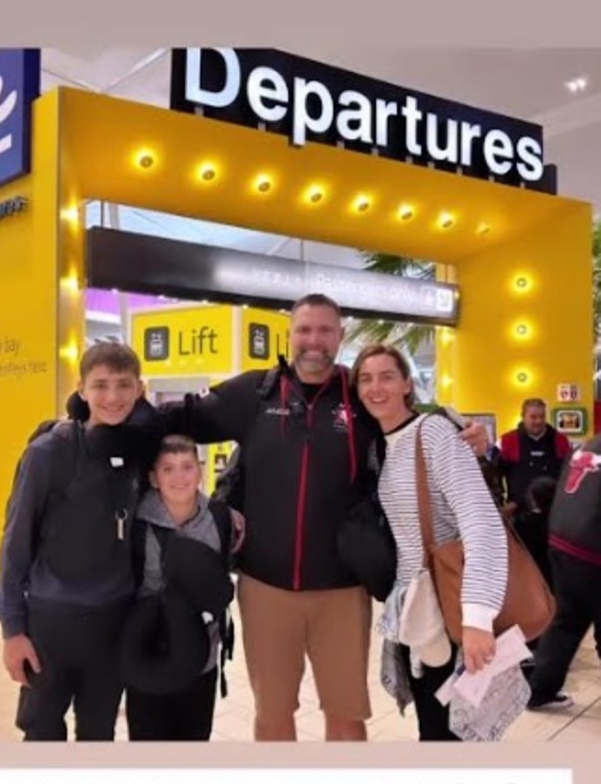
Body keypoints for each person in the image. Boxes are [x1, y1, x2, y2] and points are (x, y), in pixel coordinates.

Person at [68, 294, 487, 743]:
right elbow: (181, 416)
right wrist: (88, 416)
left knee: (347, 719)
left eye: (325, 331)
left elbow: (406, 419)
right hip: (265, 589)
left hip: (343, 592)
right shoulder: (255, 392)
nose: (314, 341)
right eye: (304, 330)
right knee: (273, 717)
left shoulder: (359, 396)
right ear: (290, 335)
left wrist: (460, 428)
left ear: (340, 336)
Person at [352, 343, 509, 741]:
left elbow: (481, 523)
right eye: (366, 379)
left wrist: (477, 619)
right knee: (433, 727)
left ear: (407, 383)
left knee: (455, 734)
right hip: (415, 610)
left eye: (387, 376)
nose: (376, 387)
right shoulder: (377, 448)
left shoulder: (434, 433)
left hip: (453, 608)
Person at [0, 343, 146, 741]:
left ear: (139, 389)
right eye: (101, 385)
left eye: (123, 385)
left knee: (98, 732)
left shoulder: (138, 454)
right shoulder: (48, 454)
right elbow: (15, 542)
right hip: (50, 623)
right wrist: (13, 630)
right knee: (42, 733)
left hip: (112, 623)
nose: (112, 397)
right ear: (81, 389)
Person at [124, 434, 235, 741]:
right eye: (168, 468)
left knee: (194, 745)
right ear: (154, 478)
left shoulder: (219, 518)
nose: (179, 477)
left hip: (202, 659)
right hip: (147, 652)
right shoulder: (136, 520)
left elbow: (220, 581)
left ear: (200, 471)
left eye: (187, 466)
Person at [527, 434, 601, 710]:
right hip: (592, 550)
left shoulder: (587, 445)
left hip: (561, 542)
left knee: (567, 621)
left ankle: (539, 691)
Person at [497, 399, 571, 514]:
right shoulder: (508, 441)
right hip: (518, 513)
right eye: (533, 417)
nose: (538, 421)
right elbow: (496, 476)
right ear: (523, 416)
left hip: (553, 512)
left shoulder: (560, 441)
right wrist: (500, 504)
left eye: (542, 416)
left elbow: (569, 475)